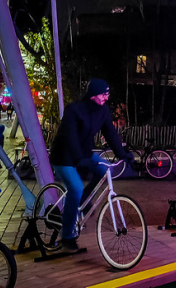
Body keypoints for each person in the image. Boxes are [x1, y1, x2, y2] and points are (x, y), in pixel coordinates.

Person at [49, 79, 134, 253]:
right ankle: (66, 237)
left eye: (107, 94)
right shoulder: (75, 110)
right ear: (93, 94)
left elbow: (110, 133)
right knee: (76, 188)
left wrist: (123, 154)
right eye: (104, 94)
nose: (106, 98)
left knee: (103, 171)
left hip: (84, 154)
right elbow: (69, 137)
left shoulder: (102, 111)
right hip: (64, 156)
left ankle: (82, 201)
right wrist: (79, 159)